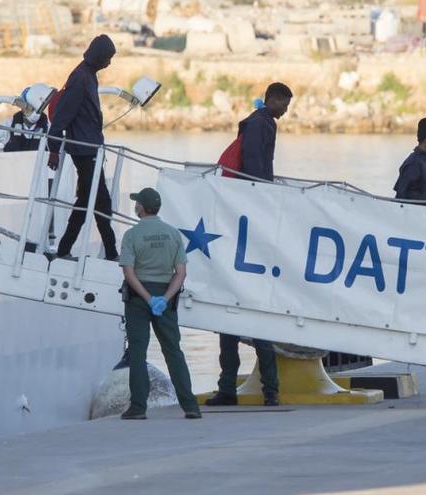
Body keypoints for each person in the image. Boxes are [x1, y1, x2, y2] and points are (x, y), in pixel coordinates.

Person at [205, 82, 292, 408]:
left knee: (231, 321)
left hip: (242, 232)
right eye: (284, 103)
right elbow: (256, 169)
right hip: (250, 221)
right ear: (273, 98)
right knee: (255, 320)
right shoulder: (260, 124)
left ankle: (233, 388)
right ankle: (265, 391)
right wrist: (263, 204)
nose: (286, 110)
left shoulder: (260, 122)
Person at [119, 187, 201, 420]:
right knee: (173, 351)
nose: (135, 206)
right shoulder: (173, 234)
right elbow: (181, 273)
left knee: (137, 352)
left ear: (141, 208)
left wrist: (147, 298)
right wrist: (164, 299)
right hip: (166, 296)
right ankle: (191, 406)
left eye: (137, 203)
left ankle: (138, 408)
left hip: (138, 297)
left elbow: (128, 272)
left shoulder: (132, 235)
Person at [47, 34, 119, 261]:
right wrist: (54, 148)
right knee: (101, 202)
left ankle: (66, 249)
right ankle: (110, 254)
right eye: (107, 58)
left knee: (87, 201)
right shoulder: (80, 78)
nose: (109, 63)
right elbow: (62, 116)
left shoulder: (88, 75)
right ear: (99, 56)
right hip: (85, 152)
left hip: (90, 149)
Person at [0, 86, 50, 152]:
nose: (34, 113)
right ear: (22, 106)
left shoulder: (48, 128)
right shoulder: (9, 125)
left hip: (38, 162)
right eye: (29, 108)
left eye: (36, 109)